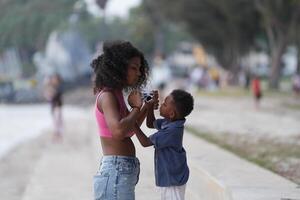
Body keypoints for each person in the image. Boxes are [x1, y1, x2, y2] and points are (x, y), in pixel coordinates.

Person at [91, 40, 150, 200]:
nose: (138, 73)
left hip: (121, 170)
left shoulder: (116, 94)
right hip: (116, 170)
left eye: (139, 69)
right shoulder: (108, 96)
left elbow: (130, 129)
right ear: (119, 67)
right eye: (133, 68)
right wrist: (136, 108)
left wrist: (145, 107)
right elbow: (118, 131)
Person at [134, 89, 194, 200]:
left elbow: (145, 142)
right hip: (171, 177)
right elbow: (150, 123)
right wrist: (149, 106)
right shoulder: (171, 122)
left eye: (165, 104)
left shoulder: (172, 130)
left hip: (173, 181)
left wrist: (132, 122)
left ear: (171, 113)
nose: (161, 104)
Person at [44, 73, 64, 142]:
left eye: (54, 79)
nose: (53, 80)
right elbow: (48, 96)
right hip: (54, 107)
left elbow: (53, 95)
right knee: (56, 122)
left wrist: (48, 86)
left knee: (57, 122)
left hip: (57, 107)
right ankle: (57, 136)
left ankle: (57, 136)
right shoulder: (54, 87)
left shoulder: (58, 87)